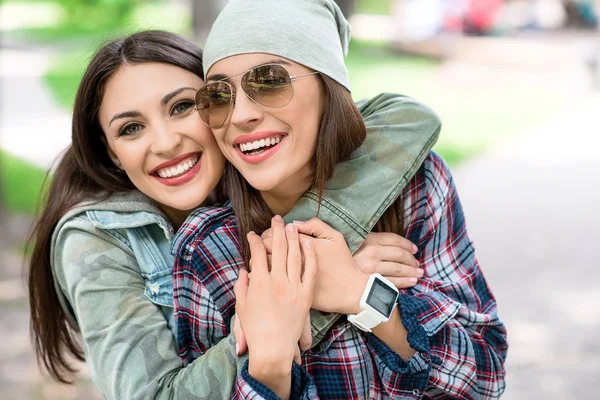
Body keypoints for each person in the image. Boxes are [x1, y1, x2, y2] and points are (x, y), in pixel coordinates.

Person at [26, 30, 442, 399]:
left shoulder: (259, 170)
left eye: (182, 107)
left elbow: (405, 119)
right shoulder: (94, 237)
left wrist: (335, 257)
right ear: (111, 153)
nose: (166, 142)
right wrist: (303, 280)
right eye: (131, 128)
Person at [172, 0, 508, 398]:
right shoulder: (207, 246)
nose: (241, 115)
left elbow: (486, 376)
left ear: (327, 87)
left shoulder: (415, 185)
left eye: (269, 81)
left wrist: (362, 294)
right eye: (218, 96)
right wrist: (270, 362)